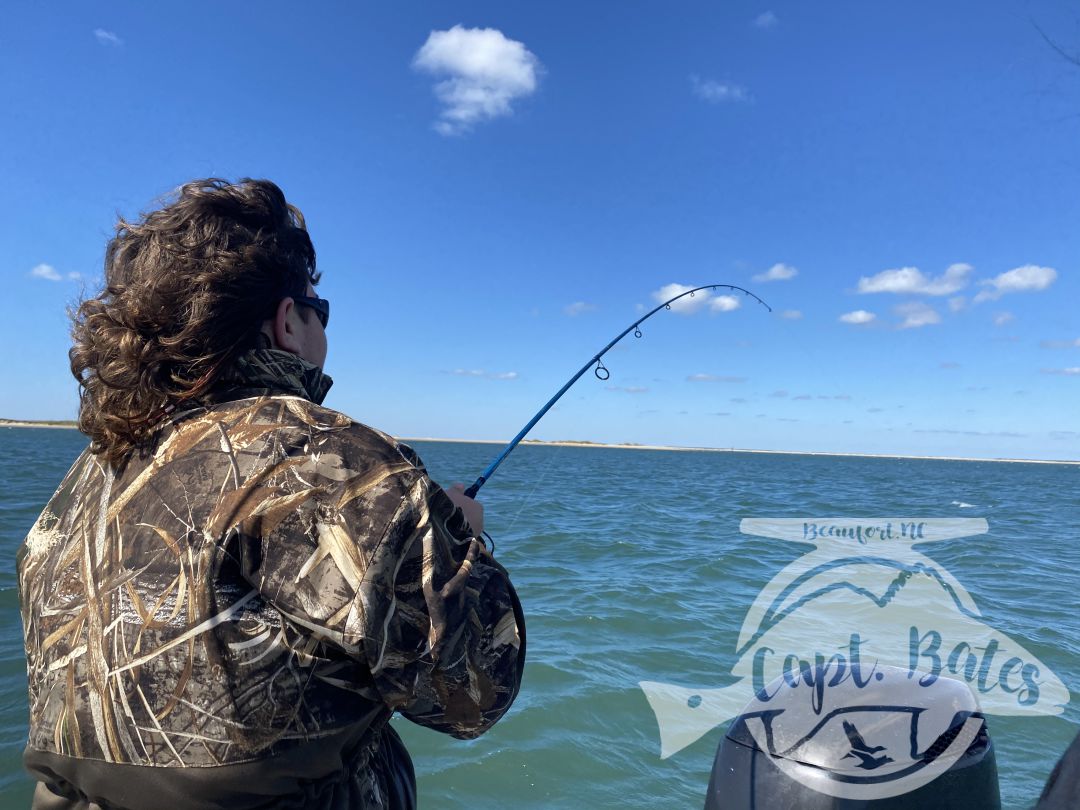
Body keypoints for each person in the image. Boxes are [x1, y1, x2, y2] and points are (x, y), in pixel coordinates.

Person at [17, 178, 525, 810]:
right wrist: (462, 542)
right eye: (322, 310)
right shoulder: (327, 459)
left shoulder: (85, 480)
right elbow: (471, 694)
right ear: (288, 321)